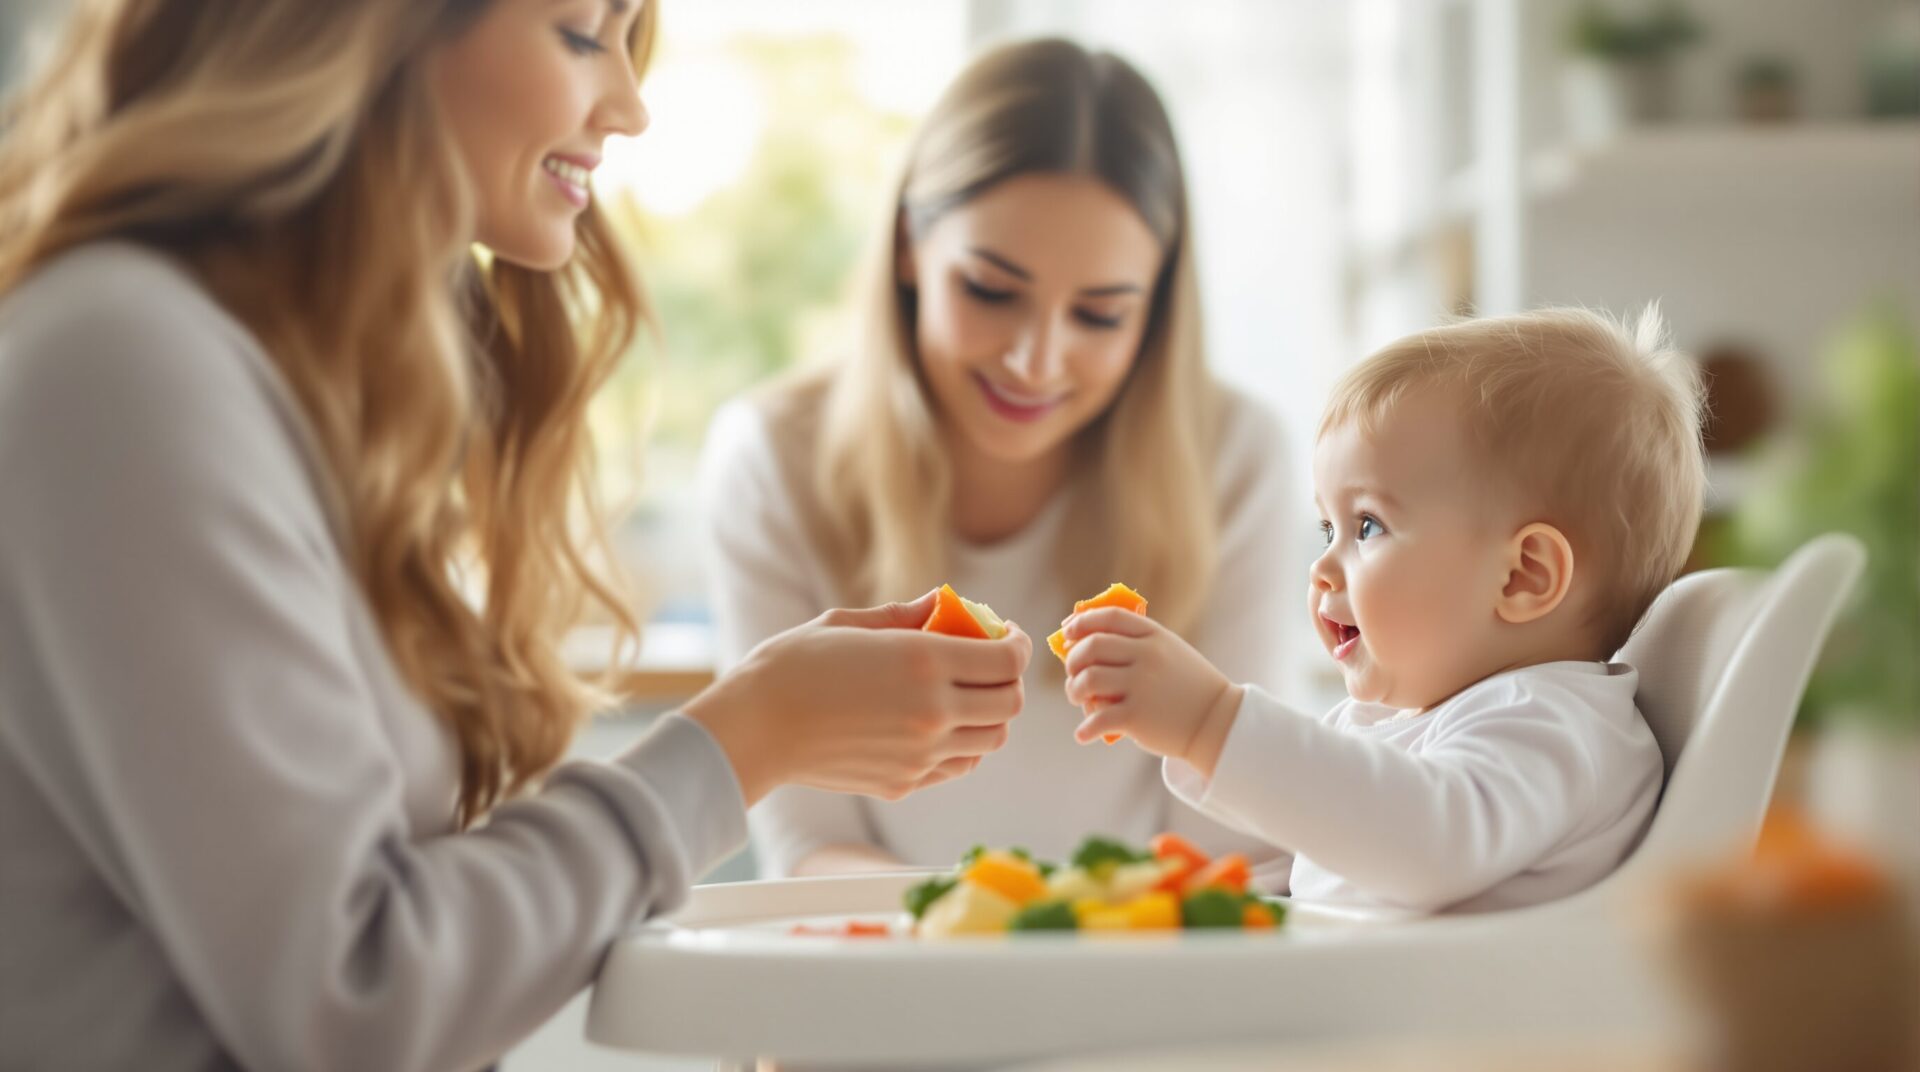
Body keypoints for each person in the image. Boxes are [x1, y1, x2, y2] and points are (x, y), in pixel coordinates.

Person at [0, 2, 1031, 1068]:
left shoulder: (295, 391)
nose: (629, 106)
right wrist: (746, 737)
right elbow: (360, 995)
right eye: (584, 33)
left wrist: (768, 721)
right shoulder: (121, 366)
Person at [700, 37, 1299, 879]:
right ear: (911, 246)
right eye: (989, 290)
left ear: (1157, 307)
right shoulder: (770, 458)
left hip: (1157, 988)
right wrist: (981, 950)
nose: (1035, 360)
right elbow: (807, 847)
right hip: (890, 982)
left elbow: (1233, 843)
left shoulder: (1237, 459)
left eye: (1099, 315)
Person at [1059, 308, 1705, 913]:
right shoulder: (1418, 720)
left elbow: (1429, 841)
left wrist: (1208, 721)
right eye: (1326, 529)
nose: (1321, 568)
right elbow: (1338, 849)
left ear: (1524, 575)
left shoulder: (1558, 726)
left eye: (1367, 526)